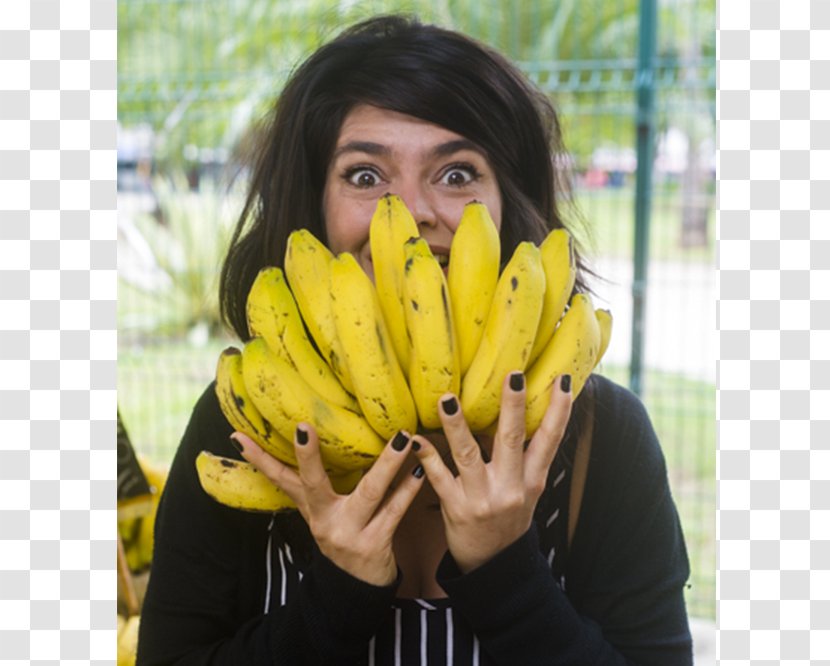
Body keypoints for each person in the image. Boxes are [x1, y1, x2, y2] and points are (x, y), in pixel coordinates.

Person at [137, 14, 693, 665]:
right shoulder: (253, 426)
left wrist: (507, 570)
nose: (414, 212)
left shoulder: (601, 438)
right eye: (365, 176)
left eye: (456, 173)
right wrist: (336, 598)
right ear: (312, 207)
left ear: (509, 206)